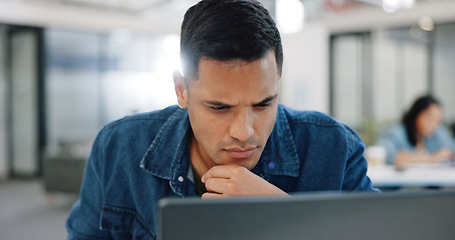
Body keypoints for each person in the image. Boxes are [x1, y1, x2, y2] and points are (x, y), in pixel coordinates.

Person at [66, 0, 378, 239]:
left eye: (263, 104)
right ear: (182, 90)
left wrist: (286, 217)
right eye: (219, 107)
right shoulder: (119, 147)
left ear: (278, 81)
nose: (244, 132)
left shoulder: (334, 148)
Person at [376, 95, 455, 169]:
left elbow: (450, 149)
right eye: (430, 118)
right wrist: (431, 158)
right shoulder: (396, 133)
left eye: (438, 120)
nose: (434, 124)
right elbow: (388, 156)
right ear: (416, 114)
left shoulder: (437, 133)